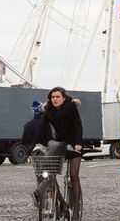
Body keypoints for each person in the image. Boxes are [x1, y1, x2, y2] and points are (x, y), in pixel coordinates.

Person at [32, 86, 84, 220]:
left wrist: (78, 143)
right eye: (52, 97)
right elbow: (42, 129)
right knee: (50, 173)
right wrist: (33, 146)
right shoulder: (48, 111)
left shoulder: (71, 108)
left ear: (63, 98)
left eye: (57, 97)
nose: (55, 99)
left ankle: (76, 209)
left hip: (74, 145)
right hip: (60, 144)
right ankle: (62, 203)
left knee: (73, 175)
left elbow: (78, 125)